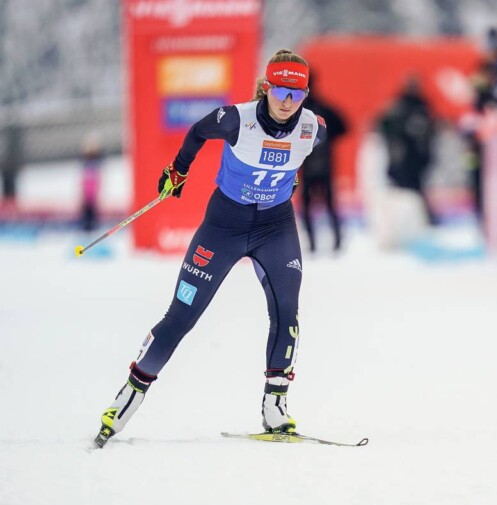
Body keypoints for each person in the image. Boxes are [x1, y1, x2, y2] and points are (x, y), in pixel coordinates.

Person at [93, 48, 326, 448]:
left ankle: (275, 406)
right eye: (280, 91)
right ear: (266, 88)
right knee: (181, 315)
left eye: (297, 94)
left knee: (287, 311)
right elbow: (198, 132)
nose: (287, 102)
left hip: (275, 228)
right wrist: (178, 170)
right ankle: (126, 399)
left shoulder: (314, 127)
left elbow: (296, 158)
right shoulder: (236, 119)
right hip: (223, 228)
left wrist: (290, 180)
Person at [378, 77, 437, 225]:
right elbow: (385, 128)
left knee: (414, 191)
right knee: (401, 193)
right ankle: (400, 222)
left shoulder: (422, 107)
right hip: (402, 158)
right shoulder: (399, 107)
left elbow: (430, 132)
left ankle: (421, 220)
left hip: (416, 159)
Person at [299, 79, 347, 253]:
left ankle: (316, 244)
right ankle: (335, 242)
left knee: (311, 207)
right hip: (322, 166)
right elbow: (343, 127)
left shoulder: (299, 113)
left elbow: (343, 127)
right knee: (328, 205)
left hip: (310, 167)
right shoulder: (323, 109)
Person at [80, 134, 104, 232]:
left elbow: (97, 179)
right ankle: (87, 225)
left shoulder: (96, 163)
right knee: (87, 211)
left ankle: (91, 225)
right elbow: (83, 180)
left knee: (92, 211)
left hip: (92, 192)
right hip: (87, 192)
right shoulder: (86, 164)